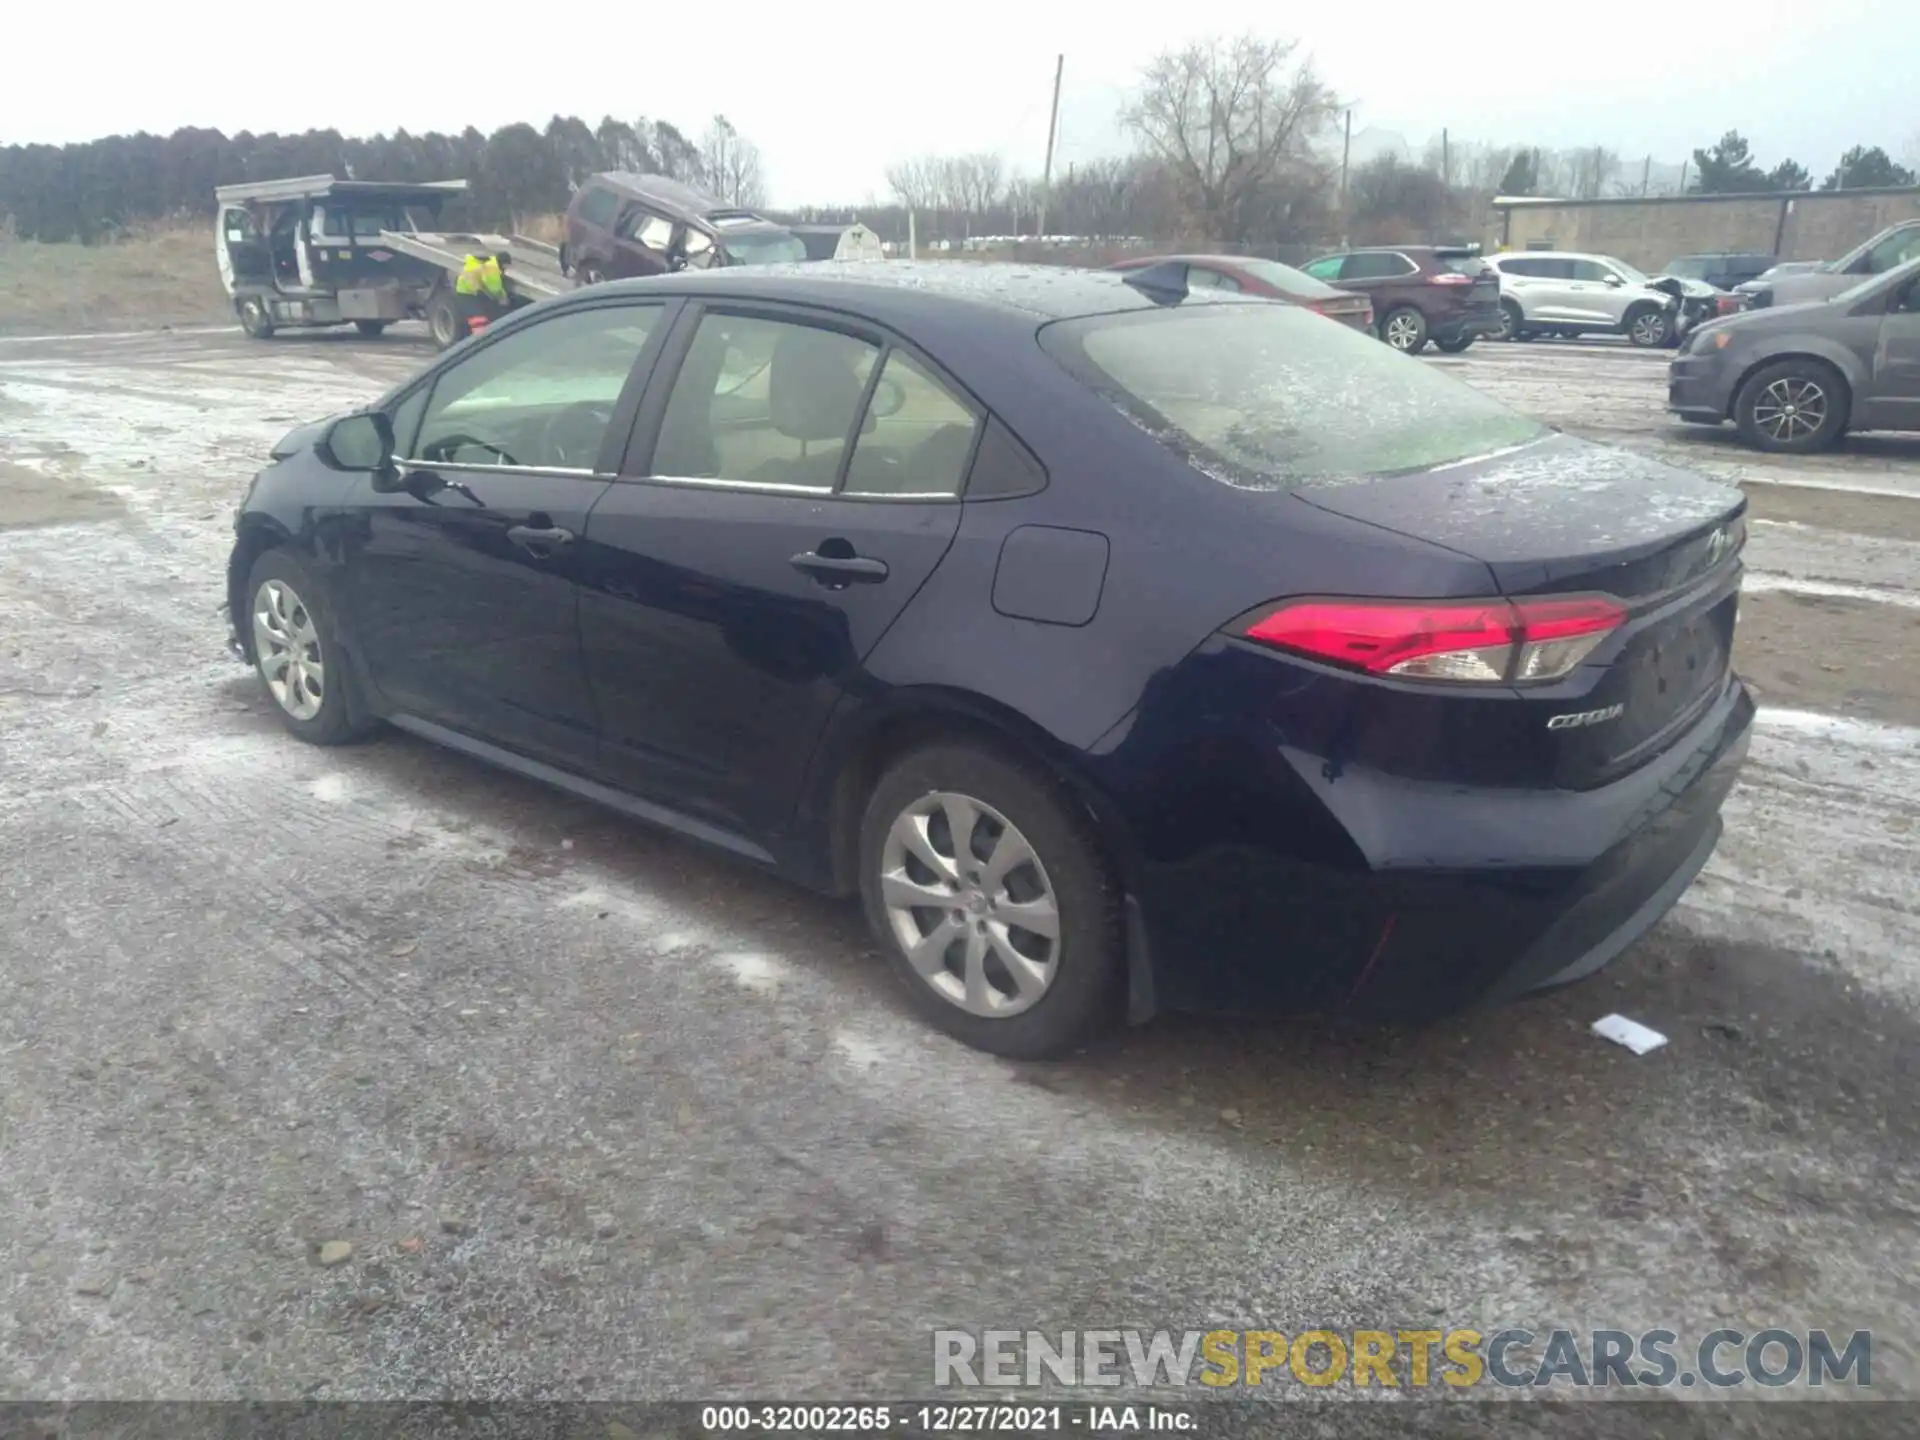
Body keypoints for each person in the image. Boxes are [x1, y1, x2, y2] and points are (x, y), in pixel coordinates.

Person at [453, 250, 512, 336]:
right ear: (503, 263)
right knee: (479, 319)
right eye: (507, 266)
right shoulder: (492, 267)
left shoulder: (488, 263)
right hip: (468, 293)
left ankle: (475, 335)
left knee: (476, 316)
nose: (506, 269)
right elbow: (494, 288)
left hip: (464, 290)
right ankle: (480, 339)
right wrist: (503, 298)